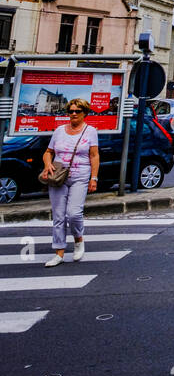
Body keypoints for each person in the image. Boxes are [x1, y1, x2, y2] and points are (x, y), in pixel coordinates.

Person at [40, 98, 100, 266]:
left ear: (84, 113)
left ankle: (78, 240)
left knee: (73, 213)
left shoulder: (90, 131)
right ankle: (59, 253)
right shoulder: (59, 130)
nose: (73, 114)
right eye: (70, 111)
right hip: (58, 177)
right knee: (58, 216)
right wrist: (47, 164)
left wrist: (93, 178)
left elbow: (94, 156)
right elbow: (48, 152)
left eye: (77, 111)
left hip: (80, 175)